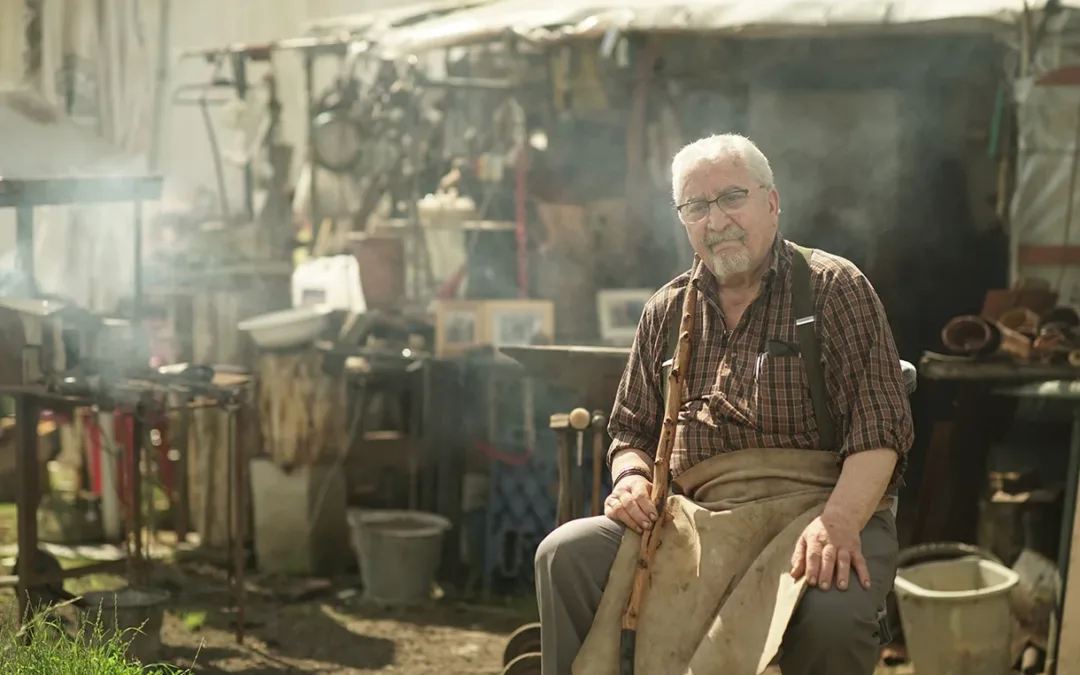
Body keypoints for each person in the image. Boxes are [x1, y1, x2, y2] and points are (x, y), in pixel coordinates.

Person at [534, 133, 914, 675]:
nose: (716, 221)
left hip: (818, 509)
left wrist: (840, 520)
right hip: (695, 521)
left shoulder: (833, 288)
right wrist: (631, 480)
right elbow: (630, 433)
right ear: (683, 219)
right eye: (696, 206)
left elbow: (881, 429)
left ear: (772, 203)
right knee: (565, 554)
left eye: (732, 197)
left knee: (833, 616)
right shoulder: (665, 311)